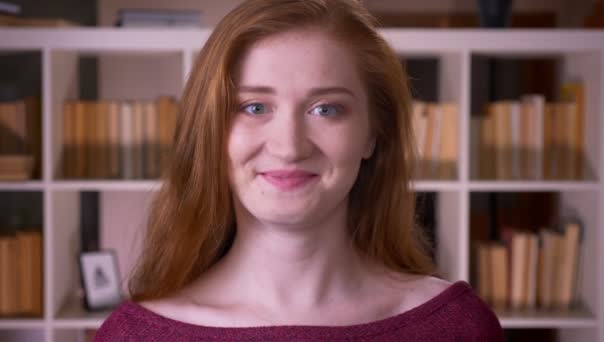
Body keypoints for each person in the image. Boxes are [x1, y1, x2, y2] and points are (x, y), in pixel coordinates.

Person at [94, 0, 504, 340]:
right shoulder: (133, 336)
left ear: (372, 136)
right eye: (254, 107)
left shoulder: (459, 328)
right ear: (212, 133)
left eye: (325, 109)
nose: (289, 146)